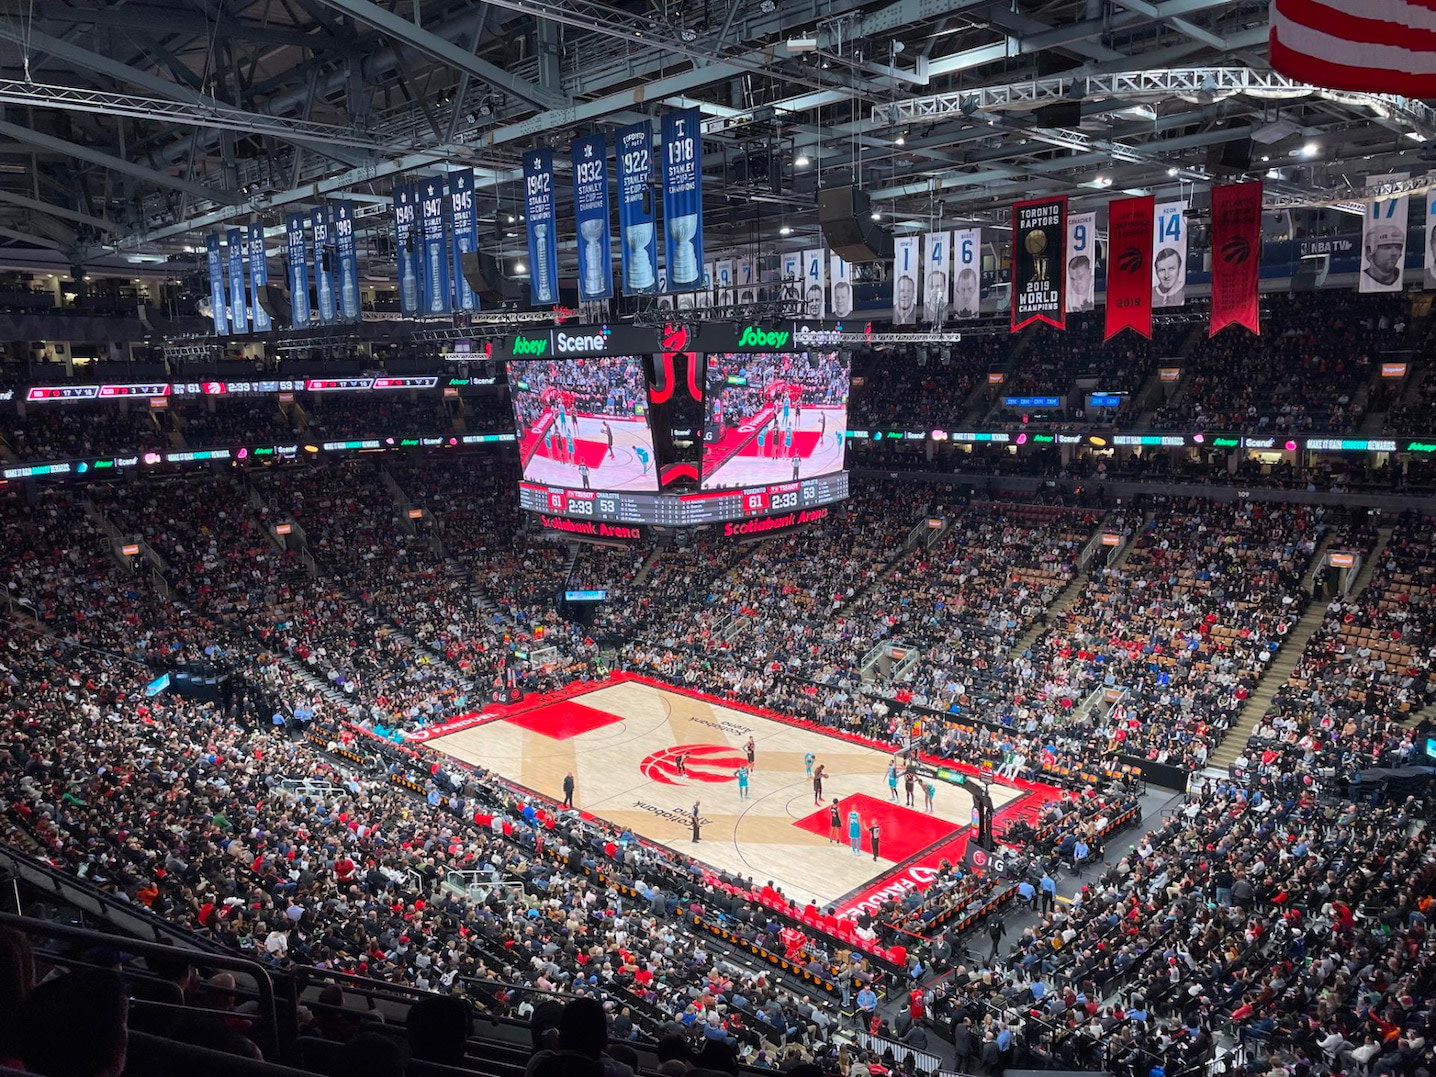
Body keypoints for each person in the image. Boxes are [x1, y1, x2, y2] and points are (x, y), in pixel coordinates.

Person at [1363, 221, 1405, 289]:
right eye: (1387, 247)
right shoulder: (1363, 278)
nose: (1394, 253)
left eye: (1398, 247)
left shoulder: (1401, 277)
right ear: (1369, 251)